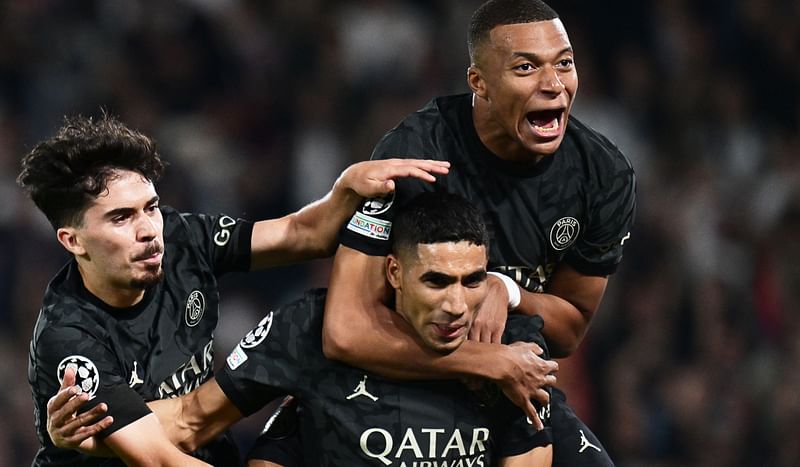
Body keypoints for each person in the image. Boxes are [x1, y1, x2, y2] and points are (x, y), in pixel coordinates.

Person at [18, 112, 452, 466]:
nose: (149, 230)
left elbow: (302, 234)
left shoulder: (183, 239)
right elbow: (161, 461)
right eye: (121, 218)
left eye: (150, 208)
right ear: (72, 241)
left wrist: (345, 189)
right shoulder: (71, 338)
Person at [322, 0, 636, 466]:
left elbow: (570, 328)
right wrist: (485, 360)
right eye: (526, 68)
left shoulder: (602, 174)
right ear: (479, 82)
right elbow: (346, 331)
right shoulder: (413, 156)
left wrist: (505, 289)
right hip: (403, 373)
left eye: (564, 64)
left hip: (512, 385)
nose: (554, 85)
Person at [50, 192, 556, 466]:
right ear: (394, 273)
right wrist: (90, 434)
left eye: (473, 282)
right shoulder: (306, 329)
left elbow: (531, 456)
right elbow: (189, 418)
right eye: (437, 281)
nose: (456, 304)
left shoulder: (512, 347)